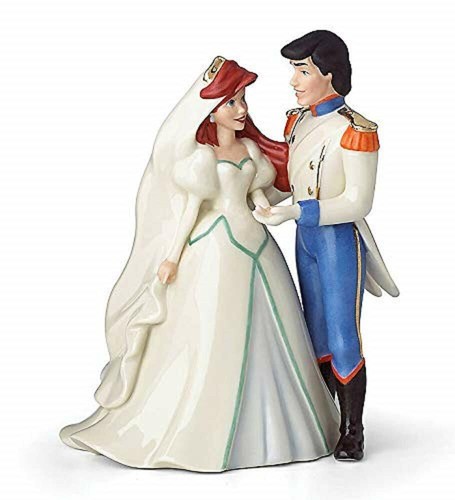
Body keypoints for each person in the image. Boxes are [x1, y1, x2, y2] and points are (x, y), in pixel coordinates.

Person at [59, 57, 340, 472]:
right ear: (211, 111)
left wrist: (272, 212)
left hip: (255, 245)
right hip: (215, 247)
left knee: (273, 326)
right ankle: (204, 427)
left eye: (243, 100)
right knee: (214, 327)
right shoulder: (202, 158)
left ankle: (281, 423)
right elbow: (191, 209)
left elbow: (257, 196)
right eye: (232, 102)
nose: (241, 110)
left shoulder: (249, 150)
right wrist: (172, 257)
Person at [253, 30, 399, 461]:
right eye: (294, 71)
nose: (293, 82)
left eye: (303, 71)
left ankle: (353, 430)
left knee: (342, 334)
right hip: (307, 238)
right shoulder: (298, 122)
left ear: (329, 74)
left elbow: (358, 201)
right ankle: (323, 416)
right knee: (314, 330)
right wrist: (260, 198)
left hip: (336, 241)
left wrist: (296, 212)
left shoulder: (355, 130)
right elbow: (291, 182)